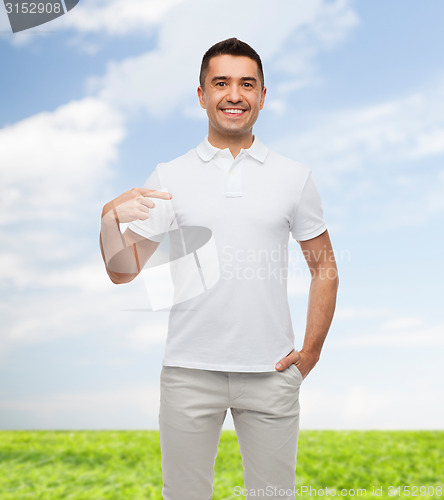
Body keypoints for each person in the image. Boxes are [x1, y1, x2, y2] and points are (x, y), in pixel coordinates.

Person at [100, 38, 339, 500]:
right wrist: (107, 218)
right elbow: (122, 271)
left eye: (247, 84)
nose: (234, 94)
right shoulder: (169, 177)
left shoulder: (294, 177)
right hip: (189, 373)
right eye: (221, 83)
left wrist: (310, 353)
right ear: (202, 94)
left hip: (270, 373)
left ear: (263, 95)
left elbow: (325, 267)